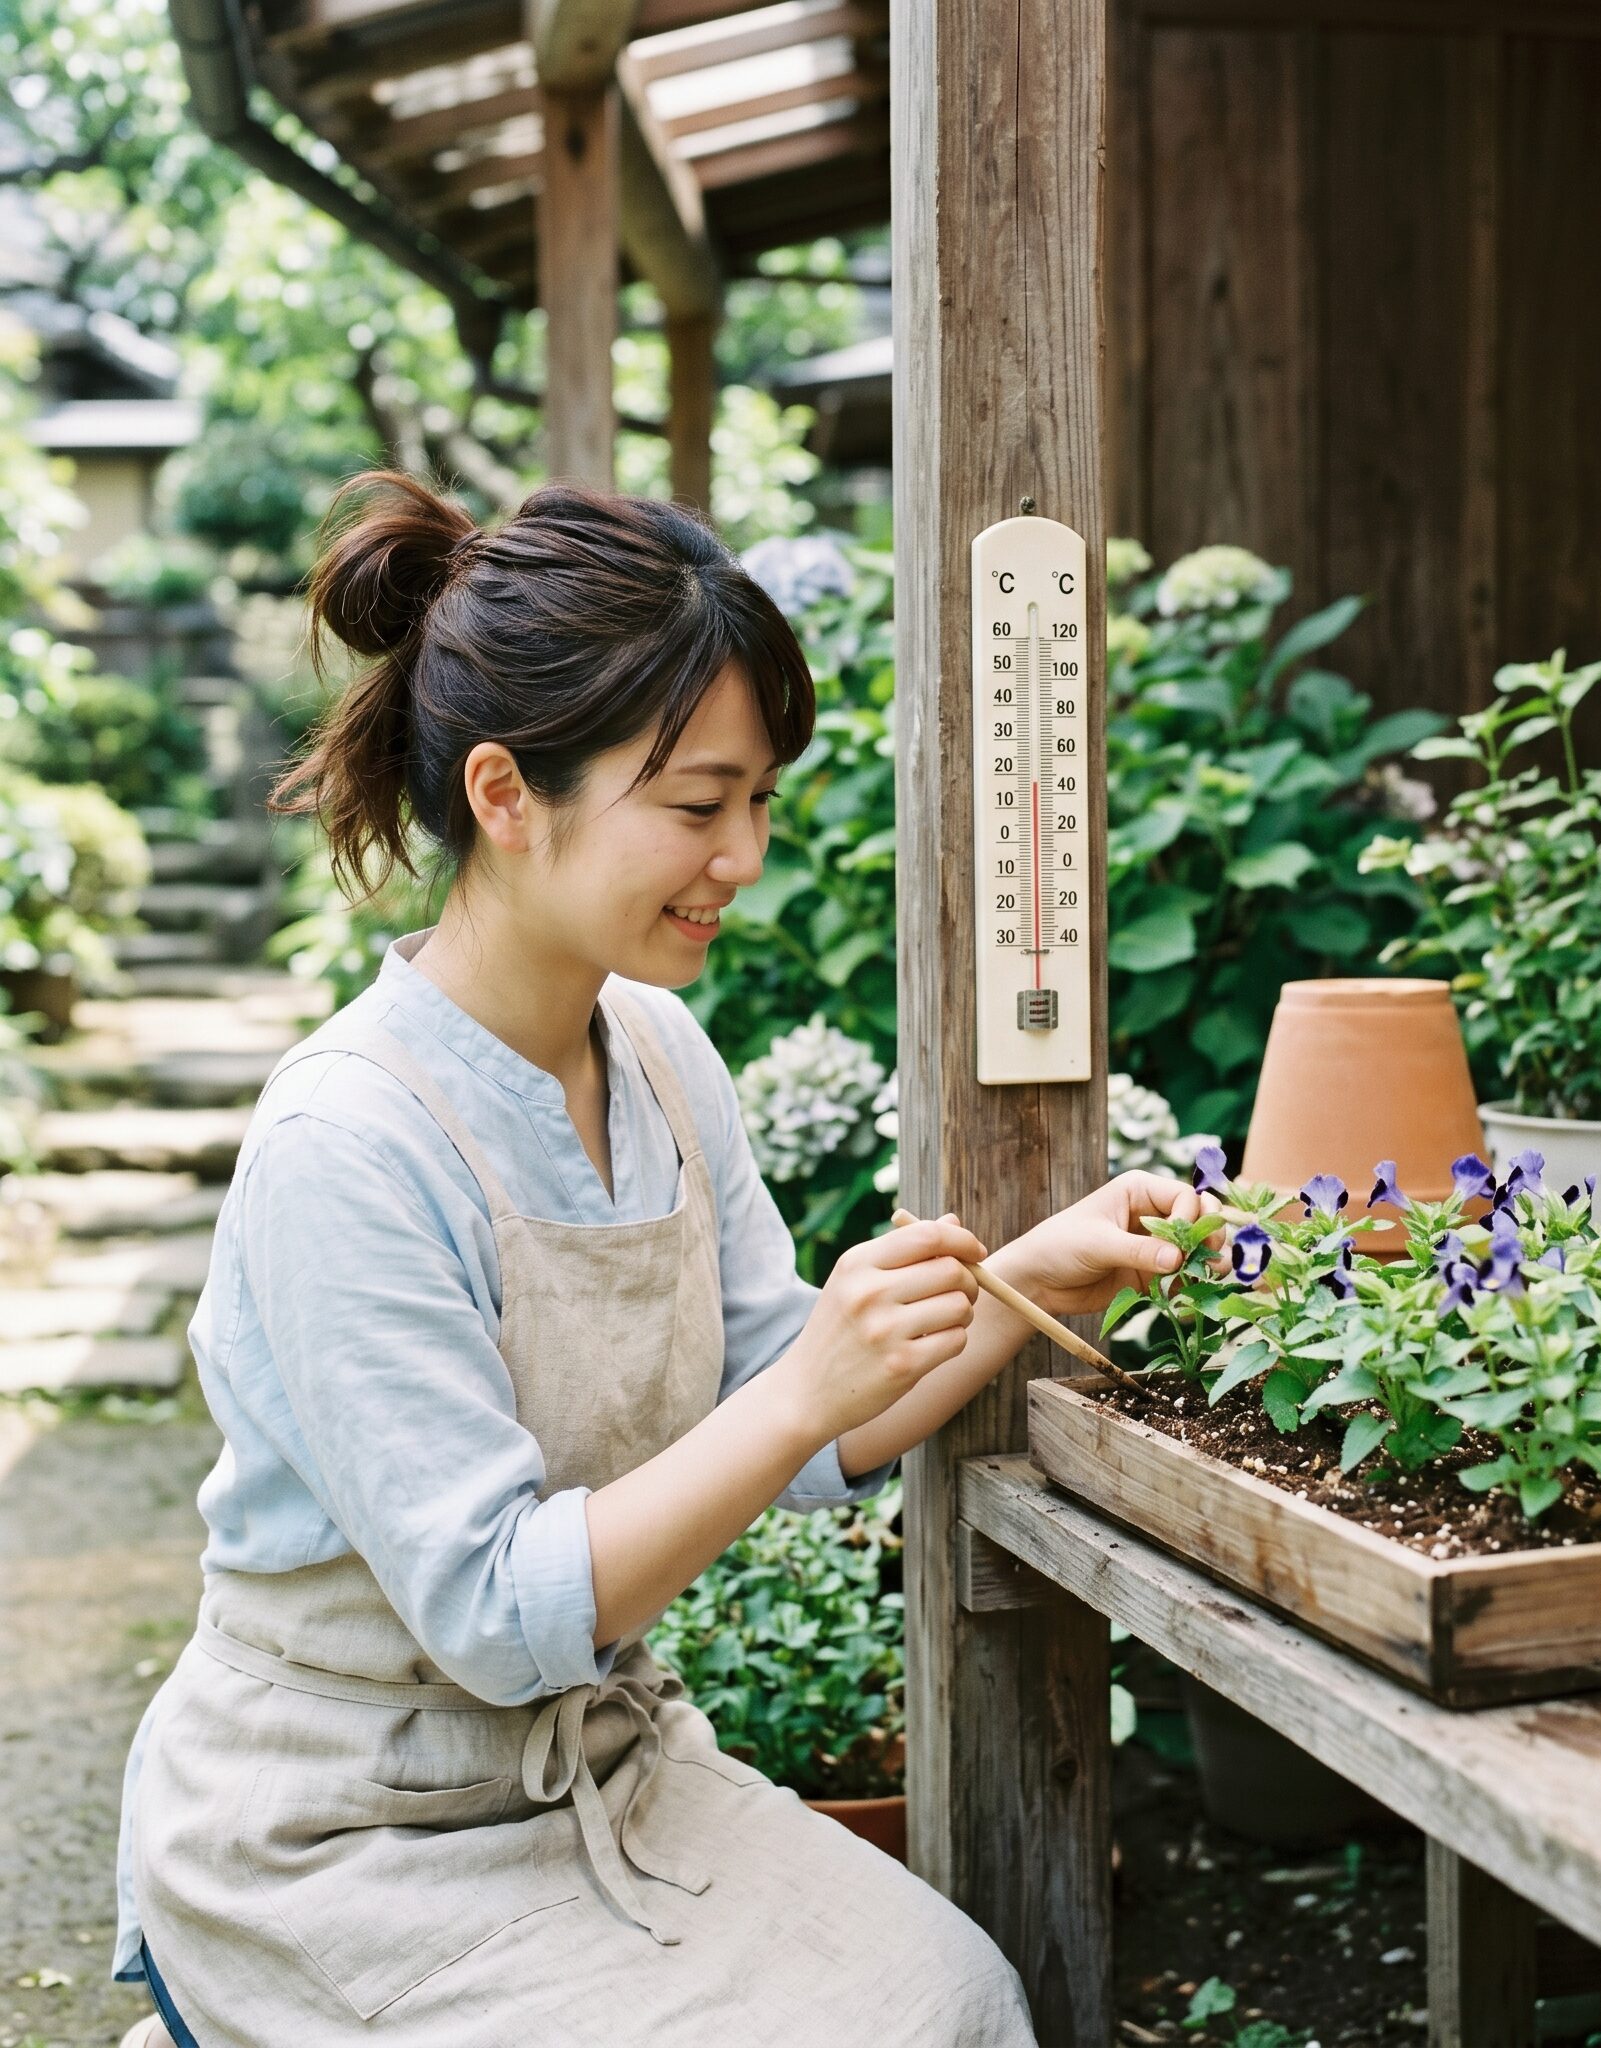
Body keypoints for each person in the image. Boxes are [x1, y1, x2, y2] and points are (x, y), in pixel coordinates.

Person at [112, 474, 1197, 2047]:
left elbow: (799, 1412)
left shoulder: (665, 1054)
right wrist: (809, 1380)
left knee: (955, 2003)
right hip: (340, 1830)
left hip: (598, 1762)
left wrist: (1043, 1275)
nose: (741, 854)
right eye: (696, 805)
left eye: (759, 800)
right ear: (504, 793)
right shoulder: (345, 1145)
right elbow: (493, 1611)